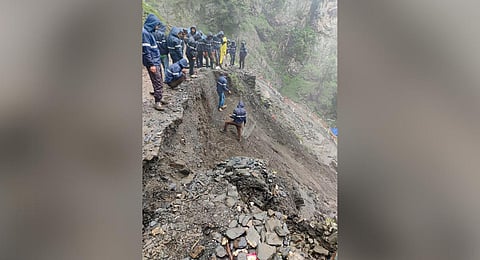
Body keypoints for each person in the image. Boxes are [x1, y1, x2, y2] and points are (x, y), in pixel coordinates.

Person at [142, 14, 168, 111]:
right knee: (157, 81)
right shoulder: (144, 33)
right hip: (153, 62)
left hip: (156, 61)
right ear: (152, 23)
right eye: (156, 25)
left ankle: (160, 97)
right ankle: (157, 102)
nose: (157, 27)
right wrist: (151, 64)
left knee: (160, 80)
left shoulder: (149, 33)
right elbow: (146, 51)